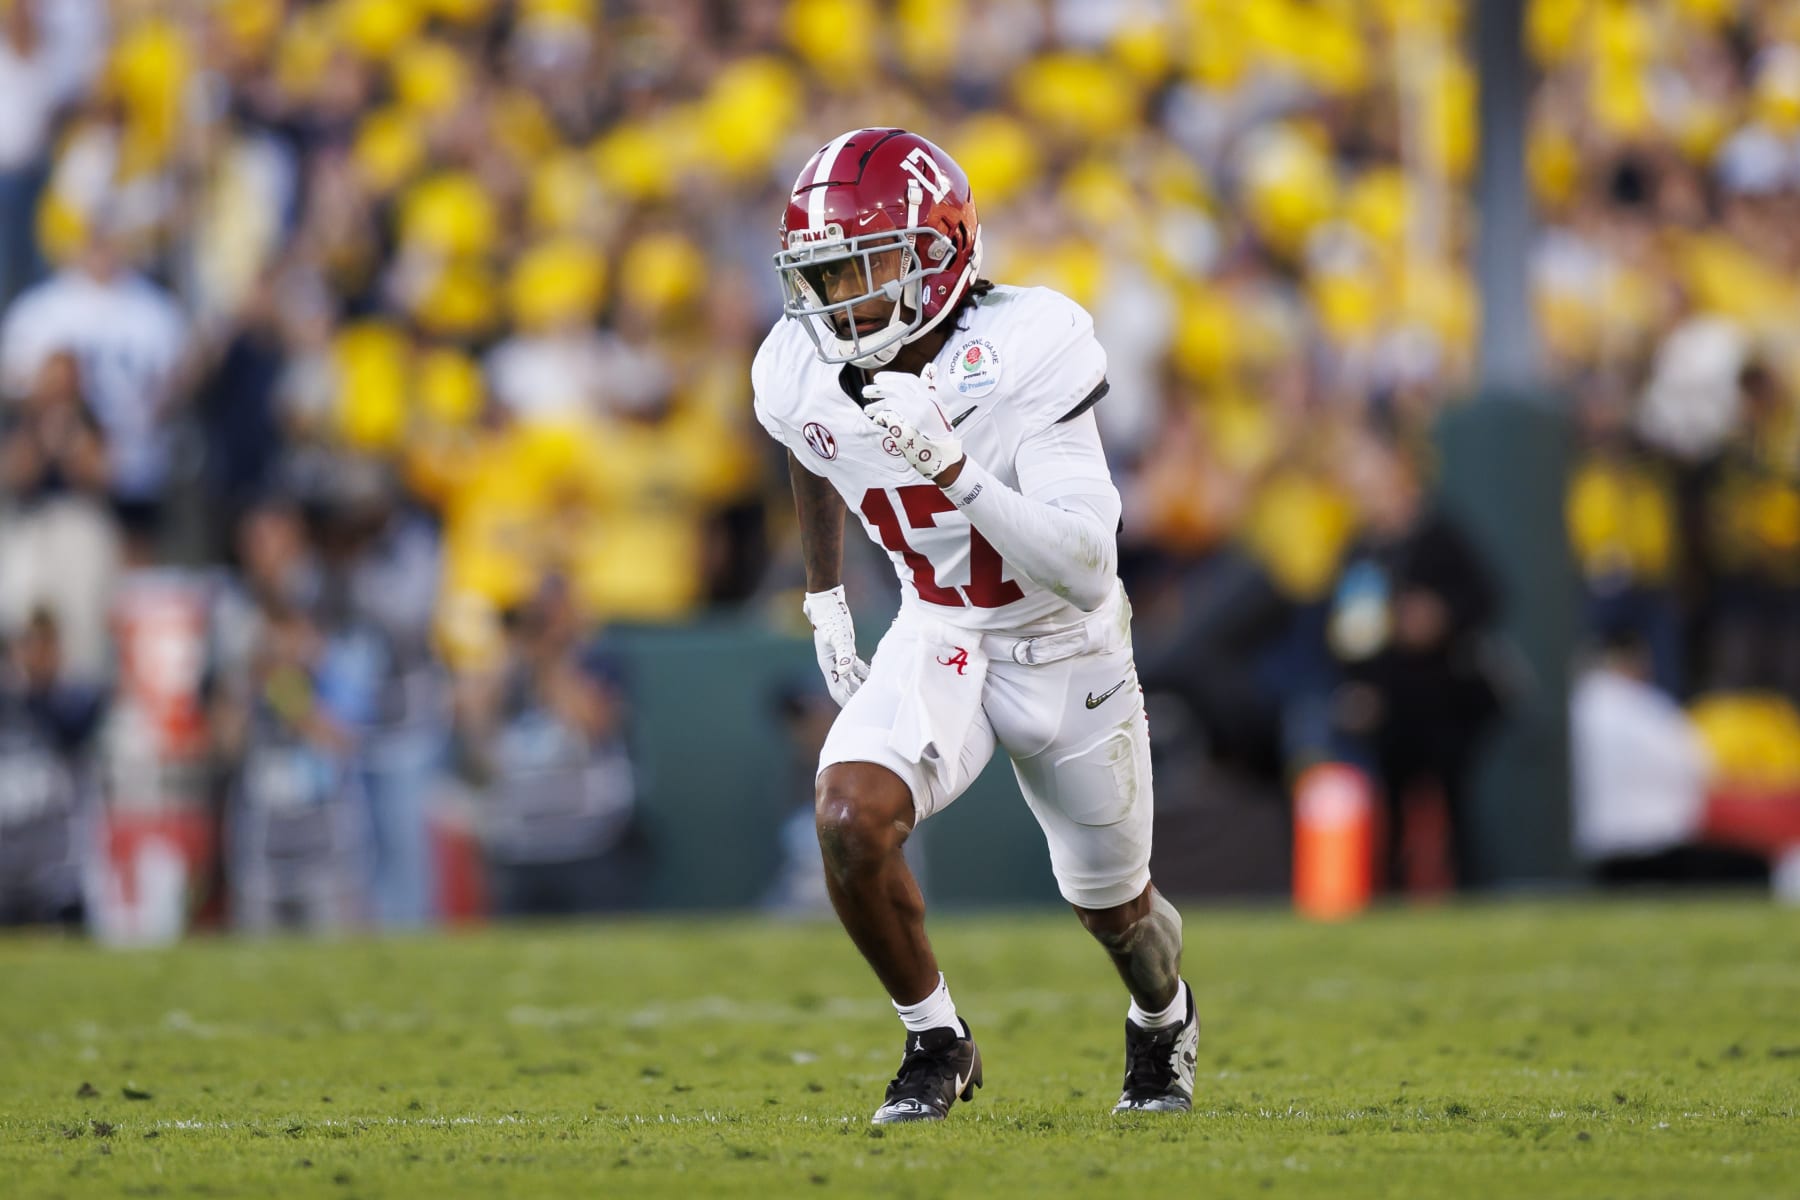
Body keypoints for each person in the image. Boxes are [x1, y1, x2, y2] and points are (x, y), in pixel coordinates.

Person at [751, 128, 1194, 1124]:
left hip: (1066, 642)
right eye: (819, 277)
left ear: (938, 256)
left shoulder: (1030, 343)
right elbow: (810, 441)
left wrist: (953, 467)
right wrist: (825, 592)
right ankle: (937, 1040)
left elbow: (1086, 565)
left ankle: (1163, 1018)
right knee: (849, 820)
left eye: (858, 272)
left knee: (1119, 914)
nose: (834, 303)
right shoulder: (797, 363)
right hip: (943, 627)